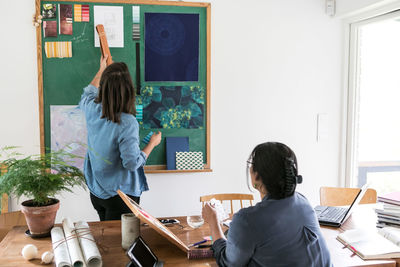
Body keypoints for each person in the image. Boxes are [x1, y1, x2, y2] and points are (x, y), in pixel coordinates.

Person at [202, 142, 332, 267]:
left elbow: (229, 262)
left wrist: (213, 222)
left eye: (251, 164)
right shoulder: (303, 201)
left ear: (257, 175)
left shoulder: (247, 219)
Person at [79, 55, 161, 221]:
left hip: (97, 192)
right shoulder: (127, 122)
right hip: (121, 196)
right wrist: (152, 144)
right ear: (128, 90)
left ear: (104, 86)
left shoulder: (91, 108)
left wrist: (101, 70)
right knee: (123, 244)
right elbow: (131, 163)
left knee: (108, 240)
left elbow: (88, 92)